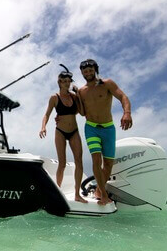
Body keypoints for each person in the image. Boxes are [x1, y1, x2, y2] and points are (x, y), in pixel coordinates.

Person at [77, 59, 133, 205]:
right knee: (96, 159)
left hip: (108, 128)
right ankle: (103, 195)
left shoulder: (107, 83)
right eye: (85, 71)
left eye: (90, 70)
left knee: (108, 164)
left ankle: (98, 190)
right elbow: (82, 113)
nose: (88, 73)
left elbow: (123, 97)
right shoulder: (81, 91)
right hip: (91, 128)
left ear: (95, 70)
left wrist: (127, 113)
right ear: (82, 73)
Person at [39, 65, 87, 203]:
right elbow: (46, 114)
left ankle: (77, 194)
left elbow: (81, 112)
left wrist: (78, 95)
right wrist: (43, 127)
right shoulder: (54, 97)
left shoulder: (74, 96)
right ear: (59, 82)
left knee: (79, 161)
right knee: (62, 163)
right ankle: (58, 192)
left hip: (74, 131)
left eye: (68, 81)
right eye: (64, 81)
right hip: (60, 132)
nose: (67, 83)